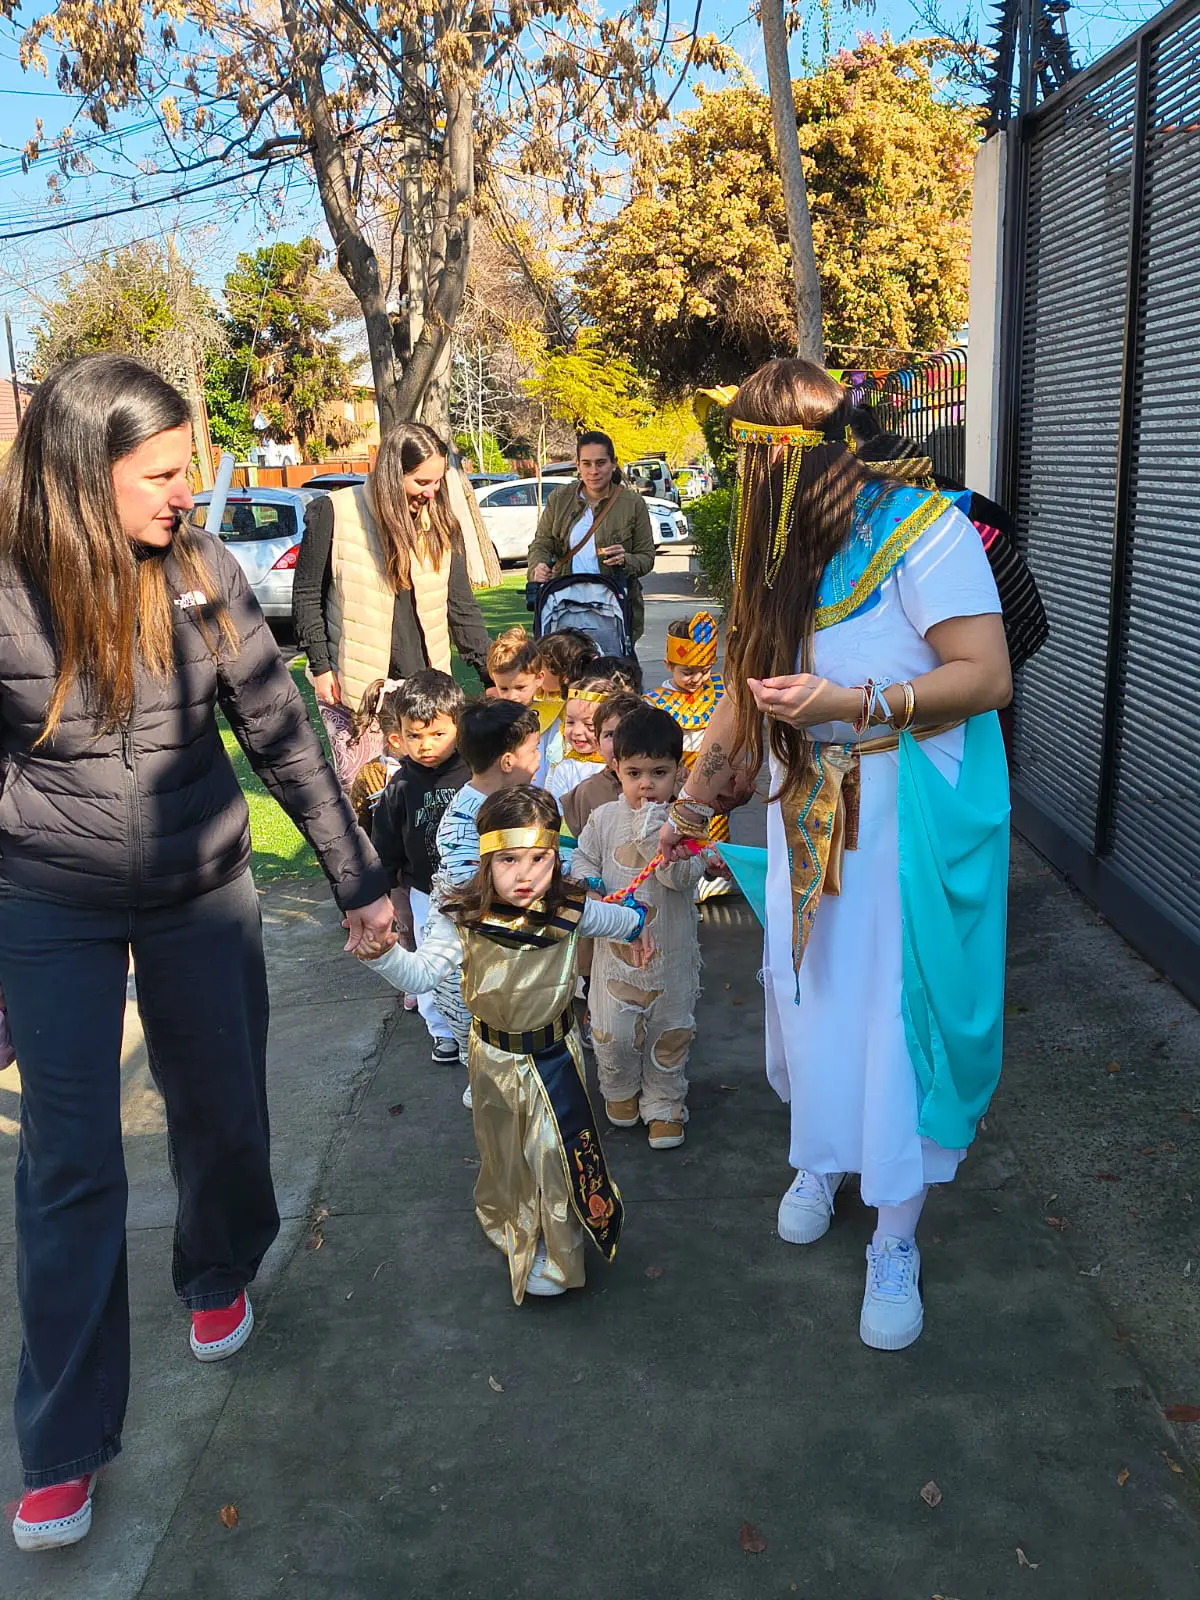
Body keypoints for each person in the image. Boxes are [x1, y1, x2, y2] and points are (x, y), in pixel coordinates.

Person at [0, 355, 394, 1551]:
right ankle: (64, 1441)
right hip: (49, 899)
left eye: (191, 467)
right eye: (163, 473)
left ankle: (217, 1266)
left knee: (220, 1111)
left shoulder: (204, 570)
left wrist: (358, 876)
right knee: (70, 1165)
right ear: (85, 474)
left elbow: (279, 729)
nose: (189, 491)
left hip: (200, 884)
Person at [661, 358, 1012, 1351]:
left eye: (752, 457)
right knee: (803, 989)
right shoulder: (780, 545)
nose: (742, 478)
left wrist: (852, 706)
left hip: (896, 812)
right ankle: (822, 1155)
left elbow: (985, 676)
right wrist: (695, 792)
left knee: (884, 1012)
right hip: (798, 800)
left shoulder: (923, 531)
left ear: (800, 455)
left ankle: (894, 1229)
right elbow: (746, 680)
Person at [356, 787, 648, 1301]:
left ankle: (561, 1257)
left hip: (555, 1059)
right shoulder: (461, 917)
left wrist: (639, 925)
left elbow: (620, 920)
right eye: (510, 859)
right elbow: (422, 975)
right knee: (506, 1159)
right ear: (486, 859)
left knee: (557, 1159)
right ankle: (515, 1226)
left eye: (540, 858)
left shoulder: (568, 910)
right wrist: (381, 956)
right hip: (491, 1060)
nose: (526, 873)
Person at [292, 421, 492, 787]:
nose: (431, 493)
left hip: (424, 688)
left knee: (428, 794)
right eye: (421, 482)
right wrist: (321, 667)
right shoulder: (334, 513)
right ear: (391, 474)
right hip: (356, 690)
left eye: (437, 482)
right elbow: (307, 596)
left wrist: (490, 673)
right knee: (367, 795)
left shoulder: (443, 525)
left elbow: (461, 607)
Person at [574, 705, 707, 1150]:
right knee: (611, 1035)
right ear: (616, 769)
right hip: (615, 962)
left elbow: (680, 877)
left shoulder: (687, 824)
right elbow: (583, 860)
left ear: (679, 772)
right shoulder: (603, 818)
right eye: (634, 773)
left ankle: (665, 1102)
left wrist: (660, 834)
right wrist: (589, 889)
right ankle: (619, 1088)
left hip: (670, 959)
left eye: (659, 772)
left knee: (670, 1034)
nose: (646, 784)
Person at [370, 671, 469, 1063]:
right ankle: (442, 1030)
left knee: (472, 959)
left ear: (458, 726)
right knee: (430, 962)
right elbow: (386, 845)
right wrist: (390, 893)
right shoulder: (400, 786)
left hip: (473, 887)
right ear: (400, 735)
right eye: (414, 736)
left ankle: (475, 1023)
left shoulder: (474, 774)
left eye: (436, 734)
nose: (425, 746)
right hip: (424, 891)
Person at [526, 432, 657, 642]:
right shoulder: (559, 499)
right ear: (578, 465)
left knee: (610, 672)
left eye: (601, 463)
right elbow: (542, 543)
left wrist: (626, 560)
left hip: (613, 609)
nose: (593, 471)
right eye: (586, 464)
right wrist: (538, 566)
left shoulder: (632, 503)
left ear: (613, 464)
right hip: (565, 607)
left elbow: (647, 557)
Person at [645, 611, 731, 844]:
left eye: (704, 671)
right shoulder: (654, 703)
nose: (697, 678)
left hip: (715, 784)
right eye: (687, 672)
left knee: (715, 843)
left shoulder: (720, 691)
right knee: (681, 841)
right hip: (674, 786)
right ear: (668, 665)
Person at [546, 663, 639, 801]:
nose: (577, 731)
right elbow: (554, 807)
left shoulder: (627, 766)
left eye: (589, 725)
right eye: (570, 722)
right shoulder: (565, 768)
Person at [559, 690, 643, 842]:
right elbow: (571, 848)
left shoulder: (668, 785)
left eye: (627, 732)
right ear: (598, 743)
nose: (620, 742)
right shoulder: (585, 793)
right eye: (610, 735)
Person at [484, 627, 545, 704]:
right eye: (503, 689)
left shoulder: (554, 710)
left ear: (538, 678)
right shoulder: (492, 712)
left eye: (520, 687)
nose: (511, 697)